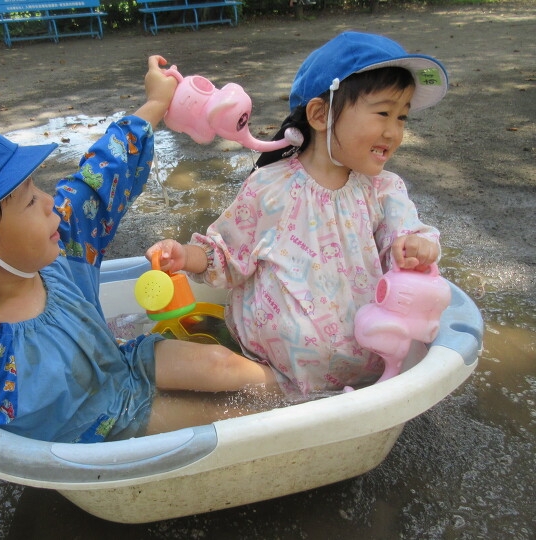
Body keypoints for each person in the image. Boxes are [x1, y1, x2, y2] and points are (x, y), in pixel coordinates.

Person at [0, 56, 276, 539]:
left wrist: (156, 103)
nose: (51, 202)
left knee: (222, 364)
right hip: (107, 430)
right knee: (227, 421)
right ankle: (292, 427)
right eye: (29, 199)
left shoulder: (60, 253)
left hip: (125, 367)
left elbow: (99, 179)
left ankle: (310, 396)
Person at [146, 32, 448, 396]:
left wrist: (417, 247)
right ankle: (124, 375)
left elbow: (408, 238)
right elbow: (225, 254)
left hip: (372, 377)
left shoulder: (384, 190)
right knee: (213, 366)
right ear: (320, 115)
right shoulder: (270, 187)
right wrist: (184, 256)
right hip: (271, 374)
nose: (394, 131)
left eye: (402, 117)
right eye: (383, 113)